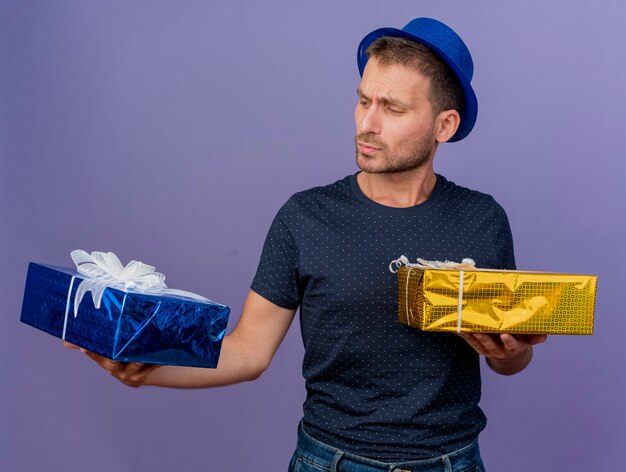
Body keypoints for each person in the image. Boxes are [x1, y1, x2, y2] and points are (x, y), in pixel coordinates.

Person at [68, 18, 547, 471]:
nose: (366, 123)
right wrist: (150, 370)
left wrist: (510, 355)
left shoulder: (483, 219)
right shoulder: (305, 217)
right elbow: (248, 351)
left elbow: (509, 353)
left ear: (444, 125)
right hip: (330, 460)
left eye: (393, 108)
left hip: (452, 461)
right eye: (364, 101)